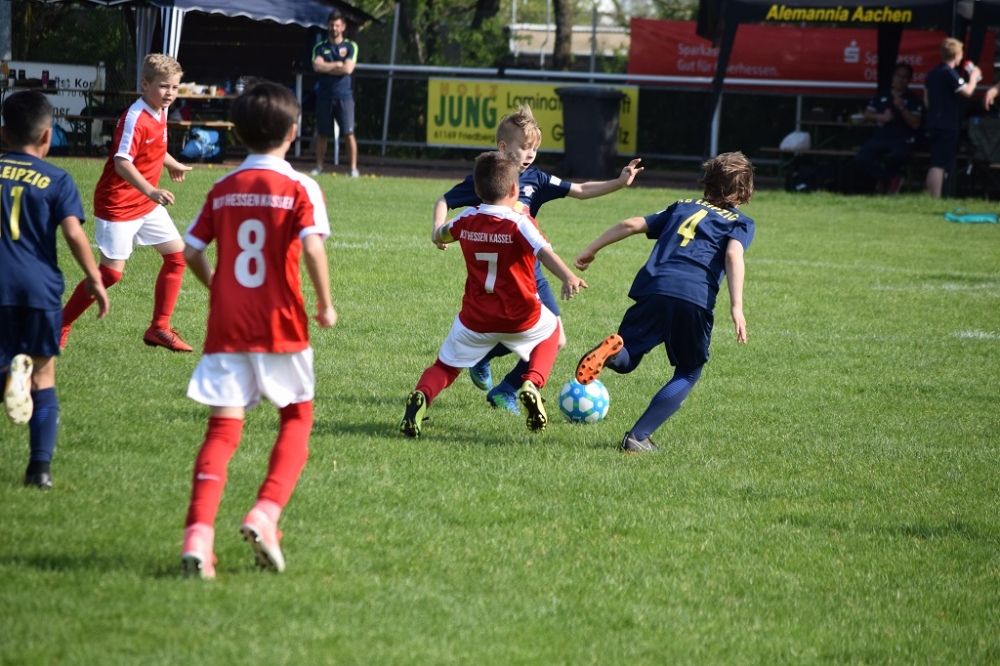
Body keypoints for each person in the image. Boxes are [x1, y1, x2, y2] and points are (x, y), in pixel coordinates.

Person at [179, 81, 337, 579]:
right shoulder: (300, 187)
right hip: (279, 324)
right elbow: (312, 247)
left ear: (238, 134)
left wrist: (216, 286)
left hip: (228, 324)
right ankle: (265, 513)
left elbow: (190, 251)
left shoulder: (223, 187)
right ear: (292, 132)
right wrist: (326, 304)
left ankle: (198, 536)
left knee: (222, 431)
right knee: (296, 418)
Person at [431, 105, 642, 414]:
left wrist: (619, 182)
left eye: (534, 148)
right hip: (504, 279)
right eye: (524, 147)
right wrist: (437, 229)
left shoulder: (537, 179)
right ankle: (493, 372)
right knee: (531, 333)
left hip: (533, 273)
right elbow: (445, 199)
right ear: (503, 147)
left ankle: (501, 383)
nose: (530, 154)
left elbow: (581, 189)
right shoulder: (490, 178)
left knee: (556, 340)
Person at [572, 152, 755, 454]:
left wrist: (592, 249)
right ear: (745, 190)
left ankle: (612, 352)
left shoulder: (683, 206)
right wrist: (737, 307)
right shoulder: (740, 222)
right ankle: (638, 437)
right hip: (693, 297)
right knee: (688, 370)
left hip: (654, 287)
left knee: (628, 355)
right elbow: (734, 255)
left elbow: (631, 224)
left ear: (706, 183)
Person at [402, 151, 587, 438]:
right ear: (514, 189)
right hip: (521, 316)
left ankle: (423, 395)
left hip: (475, 319)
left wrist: (436, 234)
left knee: (445, 367)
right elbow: (543, 252)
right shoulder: (520, 222)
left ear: (477, 191)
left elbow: (442, 234)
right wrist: (568, 276)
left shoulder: (467, 218)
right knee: (553, 332)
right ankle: (532, 383)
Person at [0, 90, 110, 488]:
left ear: (3, 133)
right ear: (47, 135)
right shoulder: (57, 178)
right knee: (43, 375)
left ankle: (7, 376)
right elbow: (74, 233)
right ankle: (39, 470)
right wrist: (94, 278)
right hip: (39, 289)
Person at [60, 53, 194, 351]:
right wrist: (151, 191)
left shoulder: (160, 110)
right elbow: (122, 162)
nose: (170, 93)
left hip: (144, 203)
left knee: (177, 257)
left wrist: (171, 162)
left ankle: (159, 328)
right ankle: (61, 323)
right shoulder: (135, 118)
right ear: (145, 84)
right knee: (111, 273)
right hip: (118, 203)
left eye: (175, 87)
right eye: (163, 86)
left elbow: (154, 147)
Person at [924, 38, 982, 198]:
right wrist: (974, 77)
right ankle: (935, 198)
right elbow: (968, 92)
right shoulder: (949, 73)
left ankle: (929, 196)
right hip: (946, 123)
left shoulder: (932, 73)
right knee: (940, 164)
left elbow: (926, 98)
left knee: (935, 161)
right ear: (956, 55)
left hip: (933, 122)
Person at [855, 62, 924, 194]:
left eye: (905, 77)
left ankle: (886, 180)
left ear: (909, 79)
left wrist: (901, 108)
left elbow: (915, 123)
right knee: (861, 158)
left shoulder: (913, 99)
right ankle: (889, 178)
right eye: (898, 76)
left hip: (901, 137)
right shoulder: (882, 95)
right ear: (893, 77)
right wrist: (880, 117)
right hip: (881, 136)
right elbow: (867, 114)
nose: (901, 80)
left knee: (899, 155)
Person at [311, 10, 359, 178]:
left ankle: (353, 169)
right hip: (324, 96)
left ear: (343, 27)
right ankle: (319, 167)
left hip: (344, 96)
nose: (334, 28)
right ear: (328, 26)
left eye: (337, 25)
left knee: (348, 133)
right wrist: (337, 65)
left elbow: (348, 69)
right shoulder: (319, 47)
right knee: (322, 133)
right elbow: (317, 67)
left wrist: (327, 67)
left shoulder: (350, 46)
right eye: (332, 25)